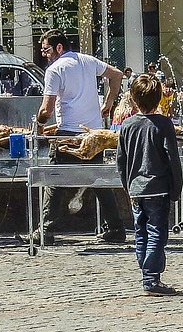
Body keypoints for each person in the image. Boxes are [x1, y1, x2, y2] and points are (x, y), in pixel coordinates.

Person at [33, 29, 125, 246]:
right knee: (98, 181)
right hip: (93, 134)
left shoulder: (54, 70)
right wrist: (109, 103)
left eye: (46, 50)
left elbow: (46, 109)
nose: (44, 54)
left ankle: (46, 230)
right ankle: (116, 228)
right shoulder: (87, 60)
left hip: (69, 134)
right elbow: (117, 75)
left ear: (59, 47)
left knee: (54, 181)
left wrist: (38, 123)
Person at [116, 73, 183, 295]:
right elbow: (172, 157)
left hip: (136, 187)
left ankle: (147, 274)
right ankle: (151, 278)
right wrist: (177, 186)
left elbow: (121, 159)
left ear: (133, 99)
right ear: (158, 99)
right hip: (158, 187)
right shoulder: (163, 124)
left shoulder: (127, 125)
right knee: (156, 232)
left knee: (140, 232)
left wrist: (127, 185)